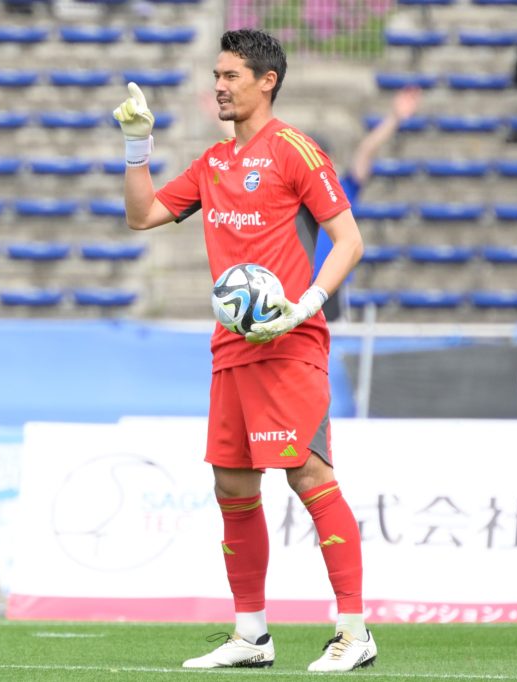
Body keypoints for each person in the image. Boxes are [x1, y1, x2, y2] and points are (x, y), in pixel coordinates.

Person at [113, 29, 373, 672]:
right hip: (231, 348)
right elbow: (142, 216)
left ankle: (354, 630)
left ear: (267, 81)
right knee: (231, 483)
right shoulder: (213, 164)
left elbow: (349, 241)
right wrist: (137, 147)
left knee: (308, 475)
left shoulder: (295, 150)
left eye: (231, 76)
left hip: (291, 344)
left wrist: (307, 303)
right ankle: (252, 634)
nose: (220, 86)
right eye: (216, 76)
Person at [313, 87, 421, 321]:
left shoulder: (342, 188)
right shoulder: (289, 194)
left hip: (330, 288)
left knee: (332, 340)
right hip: (295, 286)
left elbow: (366, 151)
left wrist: (394, 118)